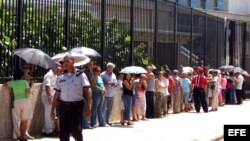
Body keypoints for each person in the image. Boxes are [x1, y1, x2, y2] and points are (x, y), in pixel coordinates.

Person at [51, 55, 92, 141]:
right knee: (63, 133)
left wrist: (88, 106)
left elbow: (88, 90)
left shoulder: (81, 75)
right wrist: (52, 110)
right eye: (64, 62)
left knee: (76, 131)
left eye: (67, 61)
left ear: (73, 62)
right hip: (63, 106)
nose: (64, 63)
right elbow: (56, 94)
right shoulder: (60, 76)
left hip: (76, 106)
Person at [5, 70, 32, 141]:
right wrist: (28, 85)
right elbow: (28, 93)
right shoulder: (25, 82)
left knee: (20, 120)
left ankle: (21, 136)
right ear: (21, 76)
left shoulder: (12, 83)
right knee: (24, 120)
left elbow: (5, 84)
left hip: (16, 102)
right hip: (25, 101)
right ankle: (22, 137)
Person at [41, 66, 61, 136]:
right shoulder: (49, 75)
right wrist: (49, 97)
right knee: (49, 114)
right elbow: (47, 86)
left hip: (52, 97)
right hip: (47, 96)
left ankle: (44, 130)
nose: (60, 71)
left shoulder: (54, 75)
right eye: (59, 69)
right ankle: (49, 131)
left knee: (51, 113)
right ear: (54, 68)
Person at [82, 60, 94, 129]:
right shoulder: (84, 72)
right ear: (86, 65)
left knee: (89, 107)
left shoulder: (90, 72)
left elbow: (91, 82)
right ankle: (85, 124)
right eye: (89, 64)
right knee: (85, 107)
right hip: (85, 92)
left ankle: (87, 123)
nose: (91, 65)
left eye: (91, 64)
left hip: (90, 91)